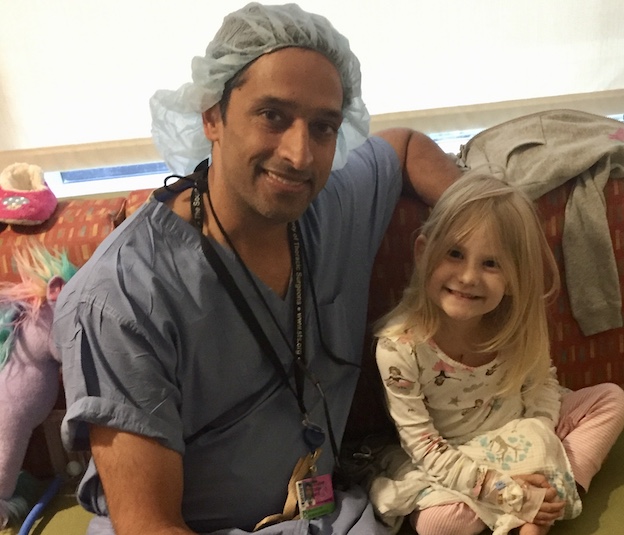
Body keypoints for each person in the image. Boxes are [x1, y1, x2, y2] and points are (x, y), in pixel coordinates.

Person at [52, 3, 460, 535]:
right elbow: (149, 526)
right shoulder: (122, 300)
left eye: (323, 127)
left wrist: (499, 217)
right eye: (272, 115)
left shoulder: (328, 210)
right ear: (212, 115)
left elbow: (402, 145)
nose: (300, 154)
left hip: (332, 515)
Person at [367, 170, 624, 535]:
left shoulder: (515, 325)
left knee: (611, 400)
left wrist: (535, 453)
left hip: (523, 432)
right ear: (424, 252)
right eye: (455, 254)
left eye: (491, 263)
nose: (469, 276)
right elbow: (424, 447)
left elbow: (541, 389)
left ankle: (550, 495)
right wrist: (505, 490)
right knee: (437, 525)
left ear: (514, 277)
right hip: (458, 454)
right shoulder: (398, 348)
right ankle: (542, 505)